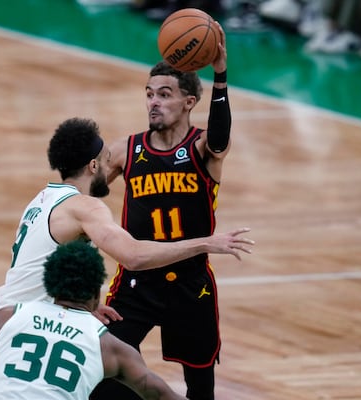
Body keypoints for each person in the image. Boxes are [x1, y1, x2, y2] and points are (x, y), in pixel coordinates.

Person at [0, 117, 255, 396]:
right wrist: (206, 243)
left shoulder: (42, 199)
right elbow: (133, 256)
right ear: (94, 166)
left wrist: (85, 306)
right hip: (31, 335)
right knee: (123, 379)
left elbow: (39, 270)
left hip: (6, 328)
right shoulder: (85, 208)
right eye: (107, 160)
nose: (112, 168)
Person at [90, 21, 236, 400]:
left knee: (200, 387)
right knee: (104, 375)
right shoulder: (127, 150)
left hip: (190, 283)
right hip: (138, 283)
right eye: (150, 94)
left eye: (165, 94)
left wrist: (220, 74)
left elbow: (220, 138)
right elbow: (83, 197)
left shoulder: (203, 148)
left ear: (189, 102)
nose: (154, 102)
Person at [0, 240, 189, 400]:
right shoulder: (110, 347)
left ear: (51, 282)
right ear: (95, 290)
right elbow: (163, 396)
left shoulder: (6, 317)